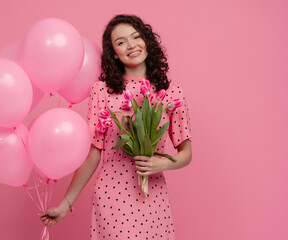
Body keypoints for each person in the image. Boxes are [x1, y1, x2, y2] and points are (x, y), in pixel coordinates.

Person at [39, 14, 192, 239]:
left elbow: (186, 153)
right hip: (113, 195)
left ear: (147, 41)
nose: (131, 45)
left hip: (153, 193)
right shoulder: (101, 91)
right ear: (114, 53)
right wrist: (66, 203)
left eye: (136, 37)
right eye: (121, 42)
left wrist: (162, 164)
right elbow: (93, 155)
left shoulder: (170, 91)